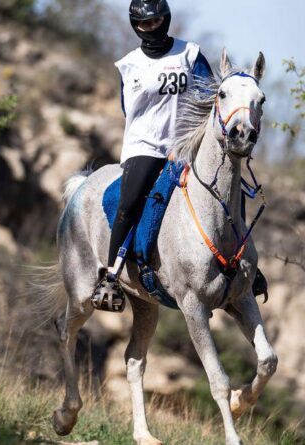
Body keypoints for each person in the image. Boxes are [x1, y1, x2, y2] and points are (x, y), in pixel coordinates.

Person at [90, 0, 214, 312]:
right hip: (145, 146)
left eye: (156, 21)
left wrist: (188, 138)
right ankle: (111, 276)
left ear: (166, 19)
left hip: (186, 145)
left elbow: (210, 97)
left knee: (224, 187)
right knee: (129, 203)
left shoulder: (190, 54)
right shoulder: (129, 64)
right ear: (135, 25)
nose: (151, 27)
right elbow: (126, 108)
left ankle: (246, 265)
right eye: (144, 23)